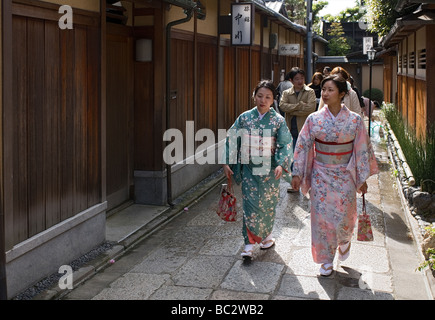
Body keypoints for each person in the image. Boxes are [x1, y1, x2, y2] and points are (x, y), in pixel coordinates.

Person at [291, 75, 379, 276]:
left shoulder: (355, 120)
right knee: (321, 218)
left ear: (342, 94)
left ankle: (344, 240)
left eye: (330, 90)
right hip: (320, 174)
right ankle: (325, 259)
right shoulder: (314, 119)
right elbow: (303, 145)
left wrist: (361, 178)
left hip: (345, 174)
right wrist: (297, 172)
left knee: (344, 216)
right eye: (323, 89)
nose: (325, 93)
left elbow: (362, 149)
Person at [222, 80, 293, 261]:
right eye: (259, 96)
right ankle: (248, 244)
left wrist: (281, 164)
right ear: (254, 97)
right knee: (250, 205)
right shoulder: (244, 118)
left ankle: (266, 236)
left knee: (268, 206)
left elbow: (284, 143)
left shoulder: (278, 120)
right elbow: (232, 138)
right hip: (249, 168)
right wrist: (227, 161)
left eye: (267, 97)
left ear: (273, 100)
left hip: (270, 169)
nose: (263, 100)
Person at [279, 67, 316, 192]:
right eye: (297, 79)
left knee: (308, 157)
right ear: (291, 80)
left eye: (302, 78)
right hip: (291, 130)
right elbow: (282, 106)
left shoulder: (310, 92)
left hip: (306, 130)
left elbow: (310, 108)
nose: (300, 81)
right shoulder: (286, 93)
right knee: (293, 157)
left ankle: (309, 184)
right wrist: (300, 105)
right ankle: (295, 183)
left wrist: (293, 109)